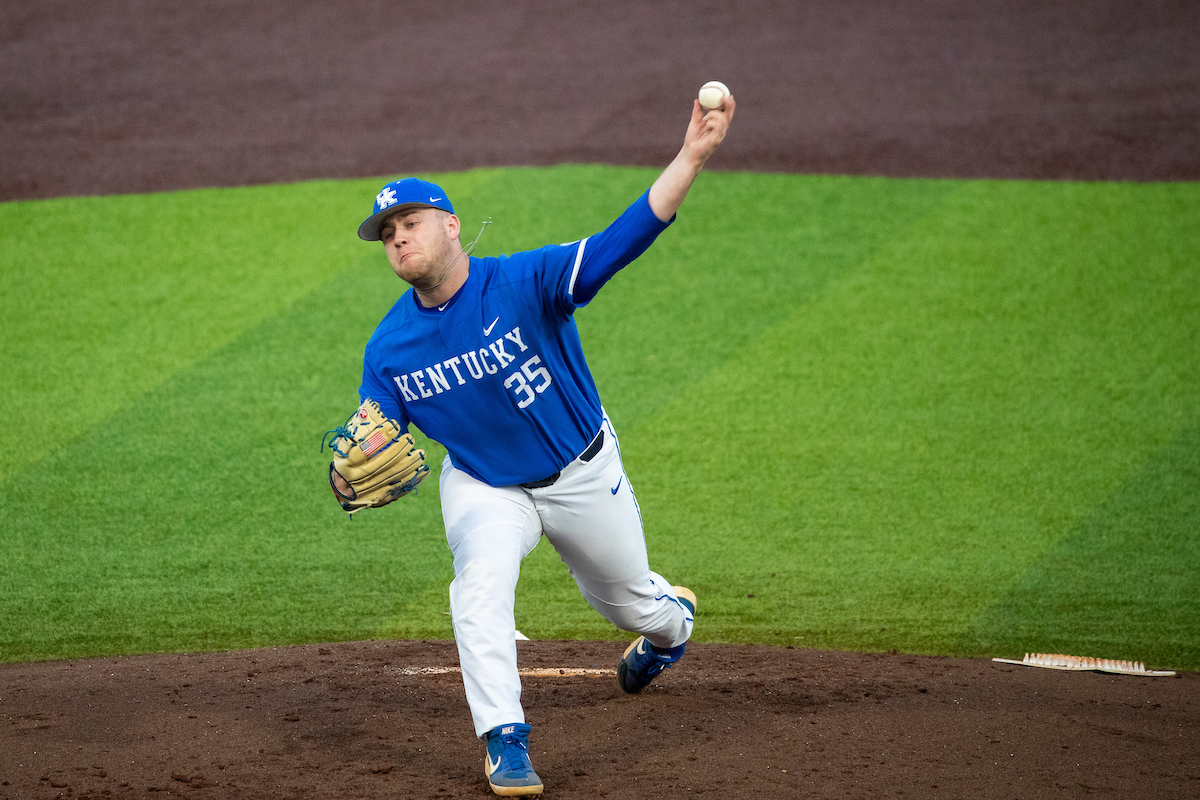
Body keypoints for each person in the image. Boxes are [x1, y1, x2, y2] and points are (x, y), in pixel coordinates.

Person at [345, 95, 734, 796]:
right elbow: (375, 426)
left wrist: (692, 156)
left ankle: (670, 629)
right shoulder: (388, 348)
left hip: (582, 473)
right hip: (486, 486)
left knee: (632, 607)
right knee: (479, 588)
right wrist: (351, 468)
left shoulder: (526, 282)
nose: (398, 238)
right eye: (388, 233)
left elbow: (625, 237)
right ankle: (505, 738)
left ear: (452, 226)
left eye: (411, 223)